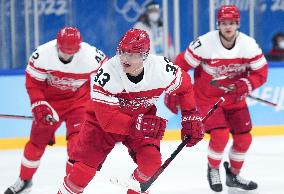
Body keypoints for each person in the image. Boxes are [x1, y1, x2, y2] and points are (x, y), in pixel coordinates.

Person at [56, 28, 204, 194]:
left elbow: (185, 87)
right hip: (101, 124)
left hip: (140, 119)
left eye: (132, 54)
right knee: (81, 173)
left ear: (144, 55)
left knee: (151, 163)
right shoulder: (107, 73)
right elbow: (107, 119)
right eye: (123, 52)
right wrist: (137, 125)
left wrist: (190, 117)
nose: (125, 58)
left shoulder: (161, 69)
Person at [164, 5, 268, 193]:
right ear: (218, 24)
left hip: (235, 99)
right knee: (220, 136)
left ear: (237, 24)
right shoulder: (204, 44)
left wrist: (246, 84)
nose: (228, 27)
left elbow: (261, 72)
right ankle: (213, 169)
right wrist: (173, 90)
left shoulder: (249, 45)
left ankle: (233, 175)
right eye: (224, 23)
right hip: (207, 99)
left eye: (232, 23)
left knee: (244, 139)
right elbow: (180, 65)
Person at [4, 26, 107, 194]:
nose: (67, 55)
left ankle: (71, 189)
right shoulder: (42, 54)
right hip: (50, 105)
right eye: (64, 51)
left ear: (79, 47)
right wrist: (38, 104)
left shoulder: (91, 56)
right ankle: (24, 181)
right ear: (57, 44)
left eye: (71, 52)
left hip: (79, 105)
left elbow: (111, 76)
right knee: (35, 145)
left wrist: (106, 105)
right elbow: (33, 83)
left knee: (78, 148)